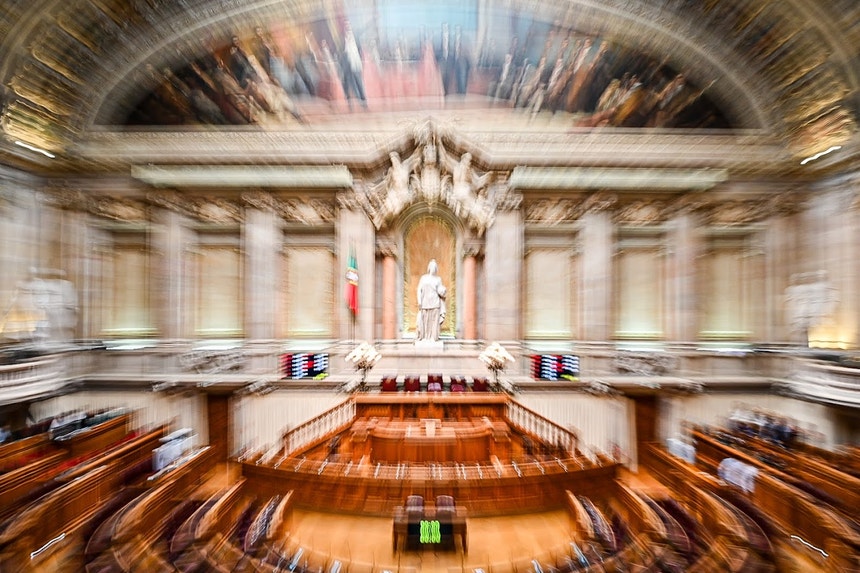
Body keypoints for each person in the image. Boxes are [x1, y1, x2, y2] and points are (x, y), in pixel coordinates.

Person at [416, 259, 446, 341]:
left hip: (435, 302)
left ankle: (433, 337)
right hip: (425, 302)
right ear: (429, 267)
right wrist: (419, 301)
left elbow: (440, 290)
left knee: (434, 321)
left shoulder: (438, 279)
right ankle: (425, 337)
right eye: (432, 266)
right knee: (425, 320)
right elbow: (419, 289)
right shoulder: (423, 278)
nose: (433, 268)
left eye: (435, 267)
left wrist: (443, 290)